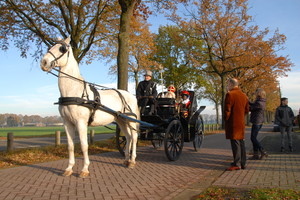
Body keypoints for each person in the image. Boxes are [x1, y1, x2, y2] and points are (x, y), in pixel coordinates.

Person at [224, 78, 249, 171]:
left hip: (233, 122)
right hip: (241, 122)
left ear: (231, 84)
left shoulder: (230, 94)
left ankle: (236, 163)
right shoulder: (244, 95)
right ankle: (243, 163)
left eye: (228, 84)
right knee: (241, 142)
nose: (227, 85)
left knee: (235, 143)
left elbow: (227, 110)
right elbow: (247, 110)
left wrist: (226, 119)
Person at [249, 88, 268, 160]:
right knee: (254, 138)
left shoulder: (259, 102)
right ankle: (256, 154)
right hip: (259, 121)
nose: (255, 93)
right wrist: (247, 101)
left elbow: (251, 108)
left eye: (256, 92)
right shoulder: (261, 101)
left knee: (253, 138)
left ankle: (262, 150)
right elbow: (253, 104)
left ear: (259, 93)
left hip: (257, 121)